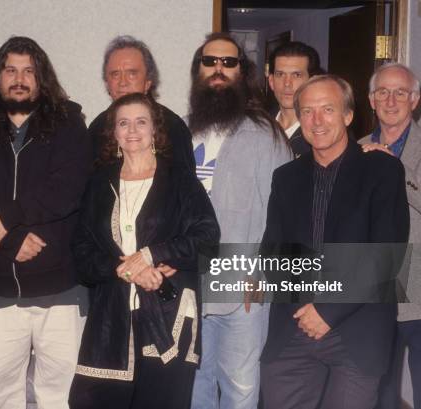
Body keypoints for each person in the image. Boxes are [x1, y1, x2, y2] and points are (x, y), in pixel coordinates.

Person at [0, 36, 90, 409]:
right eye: (10, 69)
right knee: (0, 396)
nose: (19, 78)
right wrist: (13, 241)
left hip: (61, 289)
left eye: (29, 71)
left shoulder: (70, 128)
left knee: (61, 397)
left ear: (41, 79)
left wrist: (8, 218)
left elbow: (67, 191)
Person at [260, 74, 409, 409]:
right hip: (294, 327)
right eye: (308, 111)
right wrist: (306, 306)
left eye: (328, 109)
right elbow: (273, 253)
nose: (317, 120)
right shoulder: (285, 178)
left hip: (358, 329)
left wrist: (327, 310)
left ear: (348, 115)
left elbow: (386, 257)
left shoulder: (382, 171)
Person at [69, 92, 219, 409]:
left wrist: (151, 255)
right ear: (114, 132)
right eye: (124, 123)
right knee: (89, 399)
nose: (132, 130)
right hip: (112, 316)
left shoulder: (179, 179)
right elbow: (81, 252)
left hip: (169, 311)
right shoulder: (98, 182)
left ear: (155, 130)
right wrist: (123, 268)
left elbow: (207, 238)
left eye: (141, 122)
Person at [187, 33, 291, 409]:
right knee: (195, 383)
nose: (219, 69)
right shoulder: (181, 132)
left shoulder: (266, 135)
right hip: (189, 285)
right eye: (210, 61)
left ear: (241, 72)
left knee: (241, 387)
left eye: (229, 63)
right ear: (198, 68)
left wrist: (263, 272)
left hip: (243, 285)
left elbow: (282, 213)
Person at [361, 63, 421, 409]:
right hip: (375, 292)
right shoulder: (355, 149)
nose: (391, 99)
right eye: (383, 91)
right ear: (371, 99)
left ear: (415, 100)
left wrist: (396, 166)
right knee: (378, 393)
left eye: (400, 92)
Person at [88, 35, 195, 170]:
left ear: (148, 81)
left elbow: (184, 184)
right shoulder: (97, 128)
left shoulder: (172, 126)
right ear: (107, 83)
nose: (122, 82)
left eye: (131, 73)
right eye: (115, 74)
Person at [268, 41, 323, 157]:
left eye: (296, 75)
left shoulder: (325, 131)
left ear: (311, 81)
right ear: (271, 82)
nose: (287, 83)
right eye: (280, 74)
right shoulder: (258, 125)